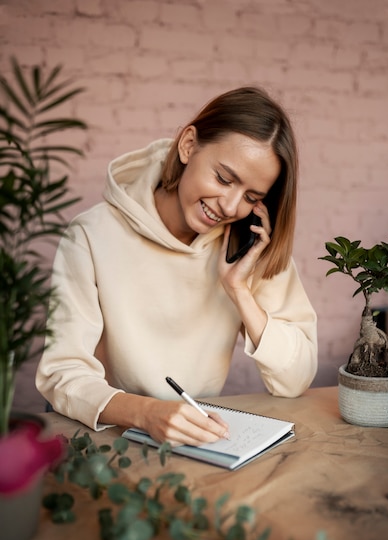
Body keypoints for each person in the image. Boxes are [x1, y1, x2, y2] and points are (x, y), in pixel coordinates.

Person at [36, 86, 318, 446]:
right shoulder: (92, 234)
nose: (231, 206)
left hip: (190, 443)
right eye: (223, 178)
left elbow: (295, 379)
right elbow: (62, 372)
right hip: (104, 438)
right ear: (188, 145)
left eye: (251, 197)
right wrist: (147, 413)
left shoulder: (247, 248)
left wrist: (239, 291)